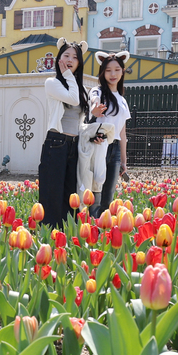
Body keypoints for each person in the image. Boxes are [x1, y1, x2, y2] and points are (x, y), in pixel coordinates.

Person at [38, 39, 103, 227]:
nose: (70, 59)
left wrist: (93, 119)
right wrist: (67, 75)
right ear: (59, 59)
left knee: (70, 195)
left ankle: (65, 238)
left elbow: (80, 123)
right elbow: (73, 100)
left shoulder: (81, 89)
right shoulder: (52, 83)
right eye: (66, 55)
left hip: (74, 146)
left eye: (75, 57)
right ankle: (48, 238)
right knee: (52, 194)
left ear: (80, 63)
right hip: (56, 143)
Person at [90, 51, 130, 218]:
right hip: (99, 144)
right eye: (108, 70)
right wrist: (95, 108)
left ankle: (102, 231)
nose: (113, 74)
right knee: (95, 191)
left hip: (115, 149)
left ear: (122, 71)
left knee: (109, 194)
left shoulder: (122, 99)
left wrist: (123, 160)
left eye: (116, 70)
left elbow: (122, 131)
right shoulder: (98, 92)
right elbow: (93, 102)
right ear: (102, 72)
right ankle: (91, 229)